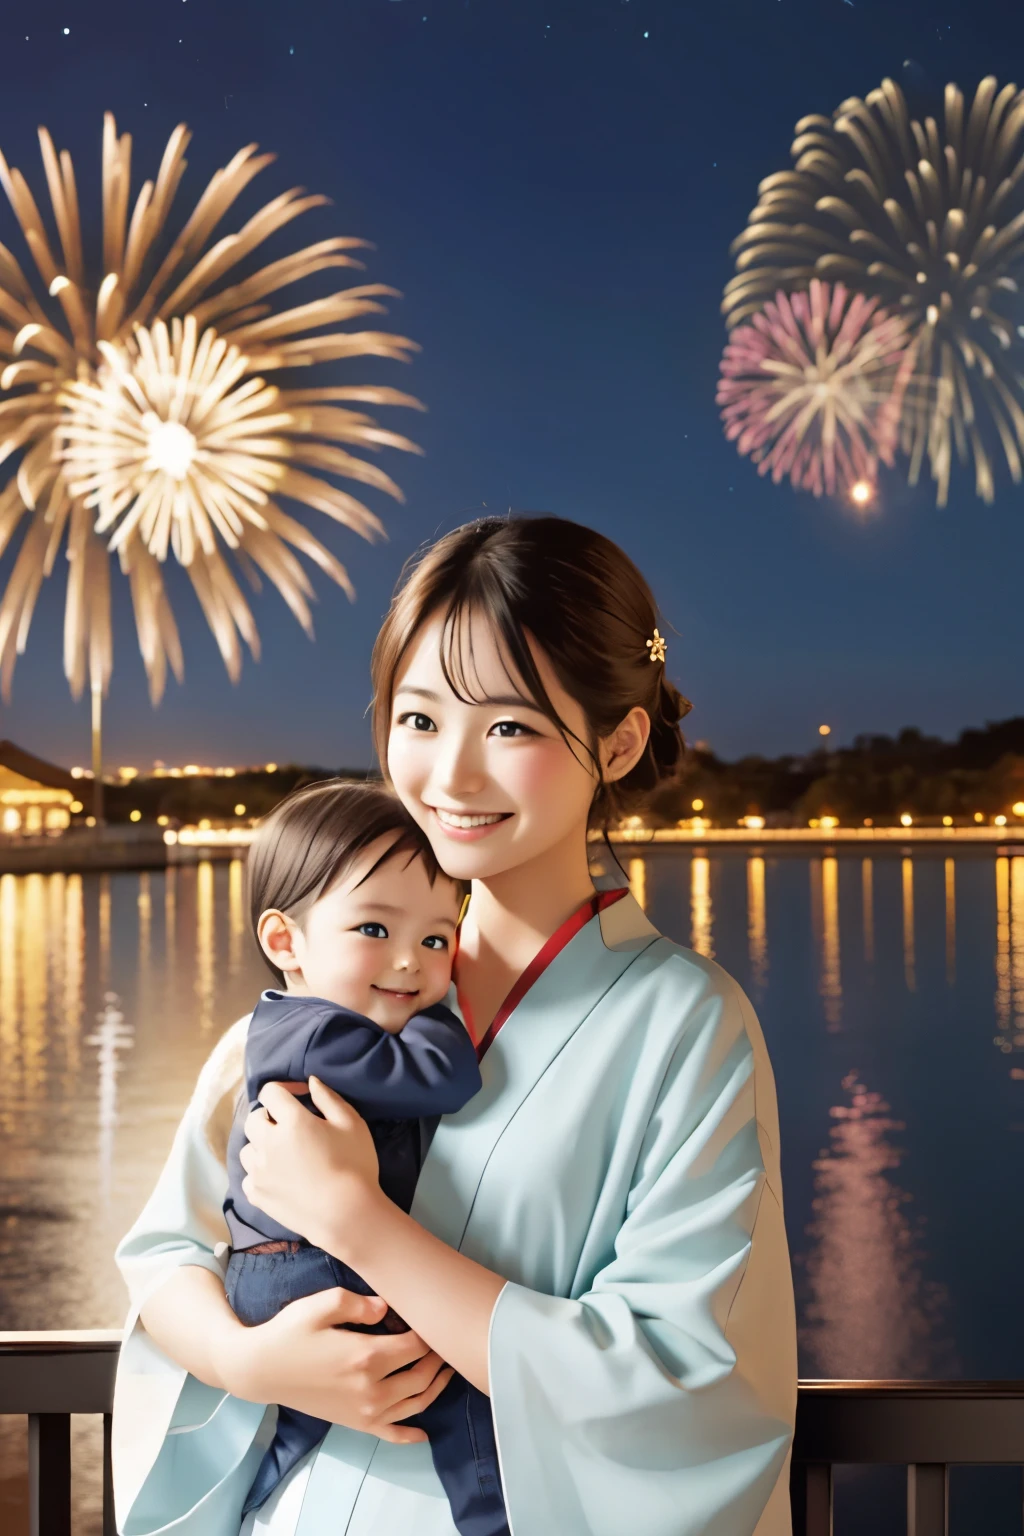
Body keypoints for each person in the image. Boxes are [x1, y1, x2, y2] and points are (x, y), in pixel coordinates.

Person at [113, 514, 798, 1536]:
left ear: (616, 741)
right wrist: (246, 1360)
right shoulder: (338, 974)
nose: (450, 777)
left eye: (511, 727)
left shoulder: (685, 1028)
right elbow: (170, 1247)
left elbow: (683, 1382)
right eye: (420, 720)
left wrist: (360, 1227)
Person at [222, 778, 508, 1534]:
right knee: (456, 1387)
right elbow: (439, 1078)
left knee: (308, 1415)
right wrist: (449, 1011)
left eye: (438, 940)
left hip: (278, 1262)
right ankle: (493, 1517)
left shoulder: (294, 1021)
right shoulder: (317, 1033)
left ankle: (261, 1484)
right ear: (285, 942)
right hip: (303, 1264)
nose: (410, 963)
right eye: (375, 931)